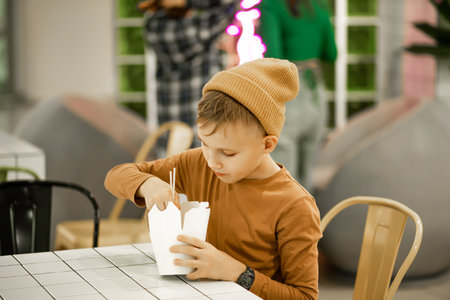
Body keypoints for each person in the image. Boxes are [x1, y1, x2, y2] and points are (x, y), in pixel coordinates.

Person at [105, 58, 321, 299]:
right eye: (204, 143)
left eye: (228, 153)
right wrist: (148, 183)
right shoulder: (197, 162)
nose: (212, 161)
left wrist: (239, 273)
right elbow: (115, 176)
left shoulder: (294, 205)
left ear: (267, 144)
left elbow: (305, 296)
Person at [257, 0, 337, 192]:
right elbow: (331, 53)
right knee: (306, 179)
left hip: (288, 91)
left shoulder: (271, 6)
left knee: (283, 179)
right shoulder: (319, 6)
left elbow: (274, 57)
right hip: (316, 91)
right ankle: (306, 220)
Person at [138, 0, 239, 147]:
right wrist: (190, 2)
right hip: (204, 128)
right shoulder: (193, 29)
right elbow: (229, 5)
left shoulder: (153, 26)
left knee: (174, 168)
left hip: (174, 131)